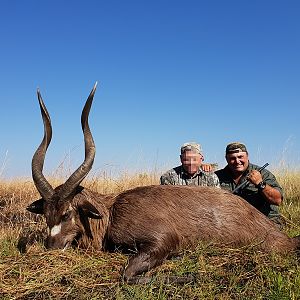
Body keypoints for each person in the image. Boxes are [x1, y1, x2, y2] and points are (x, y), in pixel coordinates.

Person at [215, 142, 283, 225]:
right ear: (226, 159)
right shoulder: (216, 176)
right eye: (232, 158)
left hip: (264, 221)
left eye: (240, 157)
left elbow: (277, 200)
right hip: (231, 223)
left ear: (247, 156)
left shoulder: (263, 174)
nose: (237, 161)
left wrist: (260, 183)